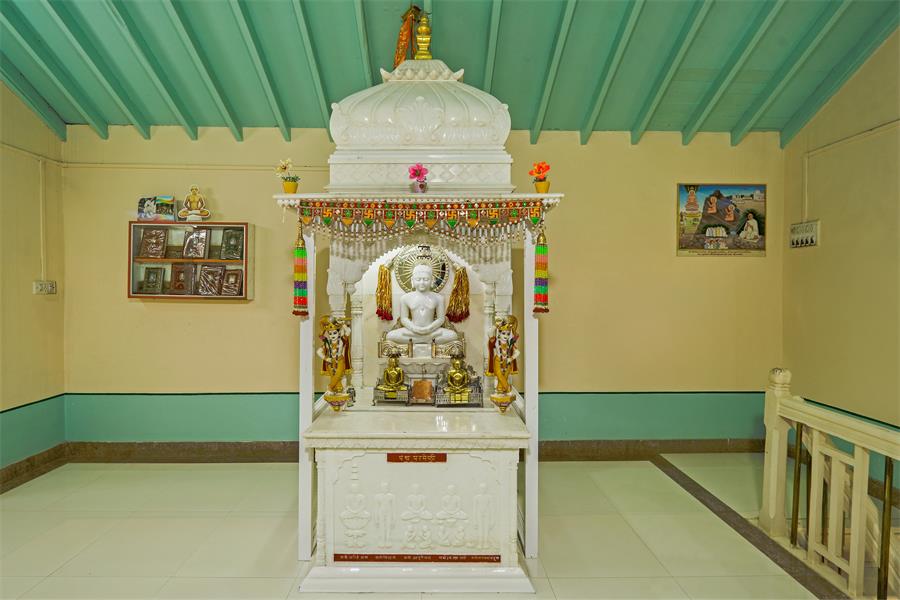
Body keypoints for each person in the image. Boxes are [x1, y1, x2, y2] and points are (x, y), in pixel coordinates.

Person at [386, 264, 458, 344]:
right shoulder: (405, 298)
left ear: (432, 280)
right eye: (418, 279)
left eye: (426, 279)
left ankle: (417, 340)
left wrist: (428, 329)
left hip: (432, 331)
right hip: (412, 331)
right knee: (390, 336)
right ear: (412, 280)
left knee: (453, 335)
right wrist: (415, 329)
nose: (422, 282)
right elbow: (404, 319)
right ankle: (427, 340)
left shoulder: (438, 298)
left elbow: (440, 319)